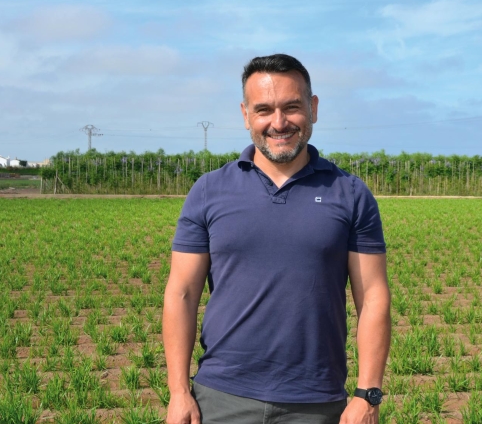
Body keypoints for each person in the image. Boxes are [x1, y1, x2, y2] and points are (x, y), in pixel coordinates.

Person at [163, 53, 390, 424]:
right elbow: (182, 293)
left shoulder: (350, 193)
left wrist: (368, 395)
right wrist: (178, 392)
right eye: (264, 109)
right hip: (221, 398)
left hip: (316, 402)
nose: (279, 122)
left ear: (313, 109)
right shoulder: (209, 191)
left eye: (292, 107)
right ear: (245, 114)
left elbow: (374, 296)